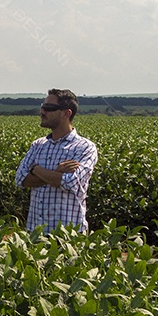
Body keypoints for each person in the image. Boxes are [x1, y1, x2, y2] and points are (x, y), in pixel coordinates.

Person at [15, 89, 98, 233]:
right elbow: (20, 179)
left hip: (68, 236)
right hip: (35, 233)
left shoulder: (84, 147)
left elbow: (70, 182)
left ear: (66, 113)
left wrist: (36, 170)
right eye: (43, 106)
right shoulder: (38, 145)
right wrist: (56, 174)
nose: (42, 112)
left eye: (49, 108)